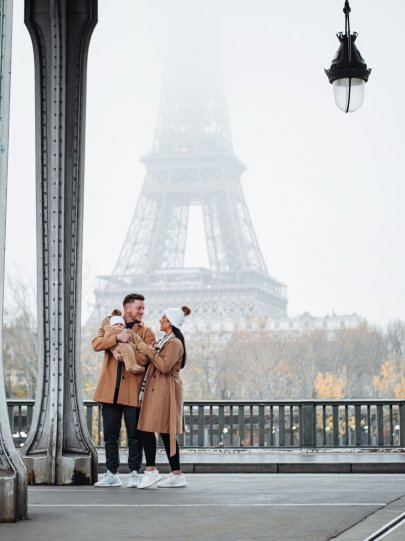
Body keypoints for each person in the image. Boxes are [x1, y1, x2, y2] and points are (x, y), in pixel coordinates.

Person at [92, 293, 155, 488]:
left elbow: (148, 357)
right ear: (127, 308)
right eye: (139, 308)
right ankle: (112, 473)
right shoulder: (109, 324)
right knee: (110, 434)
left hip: (132, 391)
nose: (142, 311)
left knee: (134, 435)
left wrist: (127, 356)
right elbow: (95, 344)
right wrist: (116, 338)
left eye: (143, 308)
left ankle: (135, 473)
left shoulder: (147, 331)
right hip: (109, 390)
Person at [133, 305, 191, 489]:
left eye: (163, 318)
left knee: (147, 427)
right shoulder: (168, 339)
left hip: (164, 390)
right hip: (160, 389)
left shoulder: (174, 343)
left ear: (170, 323)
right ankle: (176, 474)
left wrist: (148, 350)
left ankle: (151, 470)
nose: (160, 320)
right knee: (165, 432)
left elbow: (164, 366)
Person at [105, 309, 145, 375]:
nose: (119, 325)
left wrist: (143, 347)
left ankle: (135, 364)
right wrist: (117, 337)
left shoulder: (128, 331)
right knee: (125, 346)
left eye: (121, 324)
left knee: (131, 347)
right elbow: (106, 340)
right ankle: (131, 366)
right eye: (116, 324)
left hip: (130, 346)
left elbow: (137, 339)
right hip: (118, 346)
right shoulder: (110, 330)